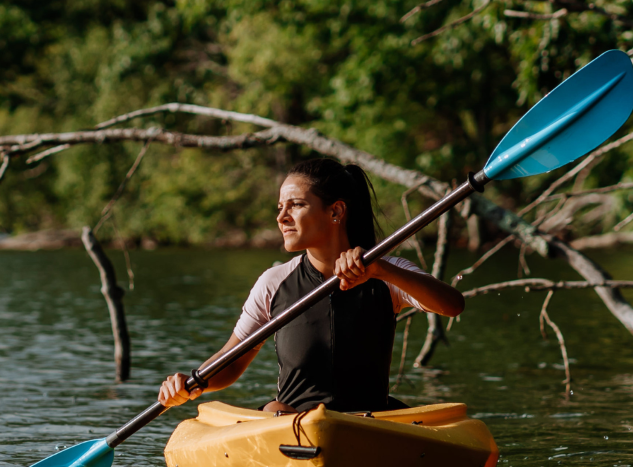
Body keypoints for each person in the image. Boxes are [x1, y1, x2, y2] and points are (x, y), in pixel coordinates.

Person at [157, 159, 465, 414]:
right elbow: (232, 358)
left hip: (369, 423)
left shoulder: (387, 273)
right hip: (291, 425)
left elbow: (452, 305)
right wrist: (194, 383)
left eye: (296, 205)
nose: (281, 217)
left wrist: (380, 270)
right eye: (280, 207)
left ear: (335, 211)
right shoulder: (274, 283)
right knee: (273, 409)